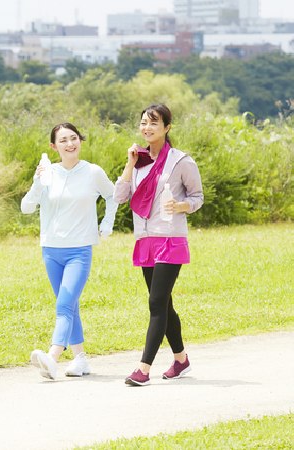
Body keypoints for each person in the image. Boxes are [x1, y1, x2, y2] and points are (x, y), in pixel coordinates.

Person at [113, 104, 203, 387]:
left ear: (167, 127)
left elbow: (198, 197)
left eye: (154, 123)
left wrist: (181, 206)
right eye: (143, 122)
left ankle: (143, 368)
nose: (147, 128)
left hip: (170, 239)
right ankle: (181, 359)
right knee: (165, 303)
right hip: (146, 240)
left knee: (156, 302)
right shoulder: (138, 162)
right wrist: (129, 164)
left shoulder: (181, 161)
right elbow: (120, 197)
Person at [21, 122, 118, 380]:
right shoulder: (47, 174)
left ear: (80, 140)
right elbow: (26, 208)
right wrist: (37, 183)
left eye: (73, 138)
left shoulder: (93, 172)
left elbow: (113, 195)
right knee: (69, 305)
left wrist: (107, 223)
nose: (70, 144)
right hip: (51, 250)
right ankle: (80, 359)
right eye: (63, 140)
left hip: (79, 250)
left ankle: (52, 358)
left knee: (64, 303)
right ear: (54, 147)